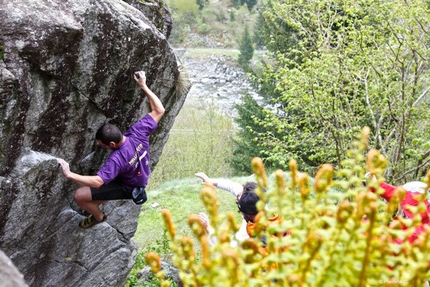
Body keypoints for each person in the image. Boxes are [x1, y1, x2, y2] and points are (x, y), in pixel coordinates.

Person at [57, 71, 165, 228]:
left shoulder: (117, 159)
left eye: (102, 145)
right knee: (94, 195)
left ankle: (99, 217)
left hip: (128, 187)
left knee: (80, 196)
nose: (101, 147)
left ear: (112, 145)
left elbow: (98, 181)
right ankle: (96, 204)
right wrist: (143, 85)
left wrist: (69, 174)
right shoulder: (137, 132)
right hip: (134, 176)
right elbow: (159, 110)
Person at [195, 172, 254, 244]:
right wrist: (211, 181)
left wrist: (208, 228)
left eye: (239, 200)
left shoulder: (246, 233)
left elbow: (226, 247)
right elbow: (233, 187)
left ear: (246, 213)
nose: (237, 198)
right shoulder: (256, 201)